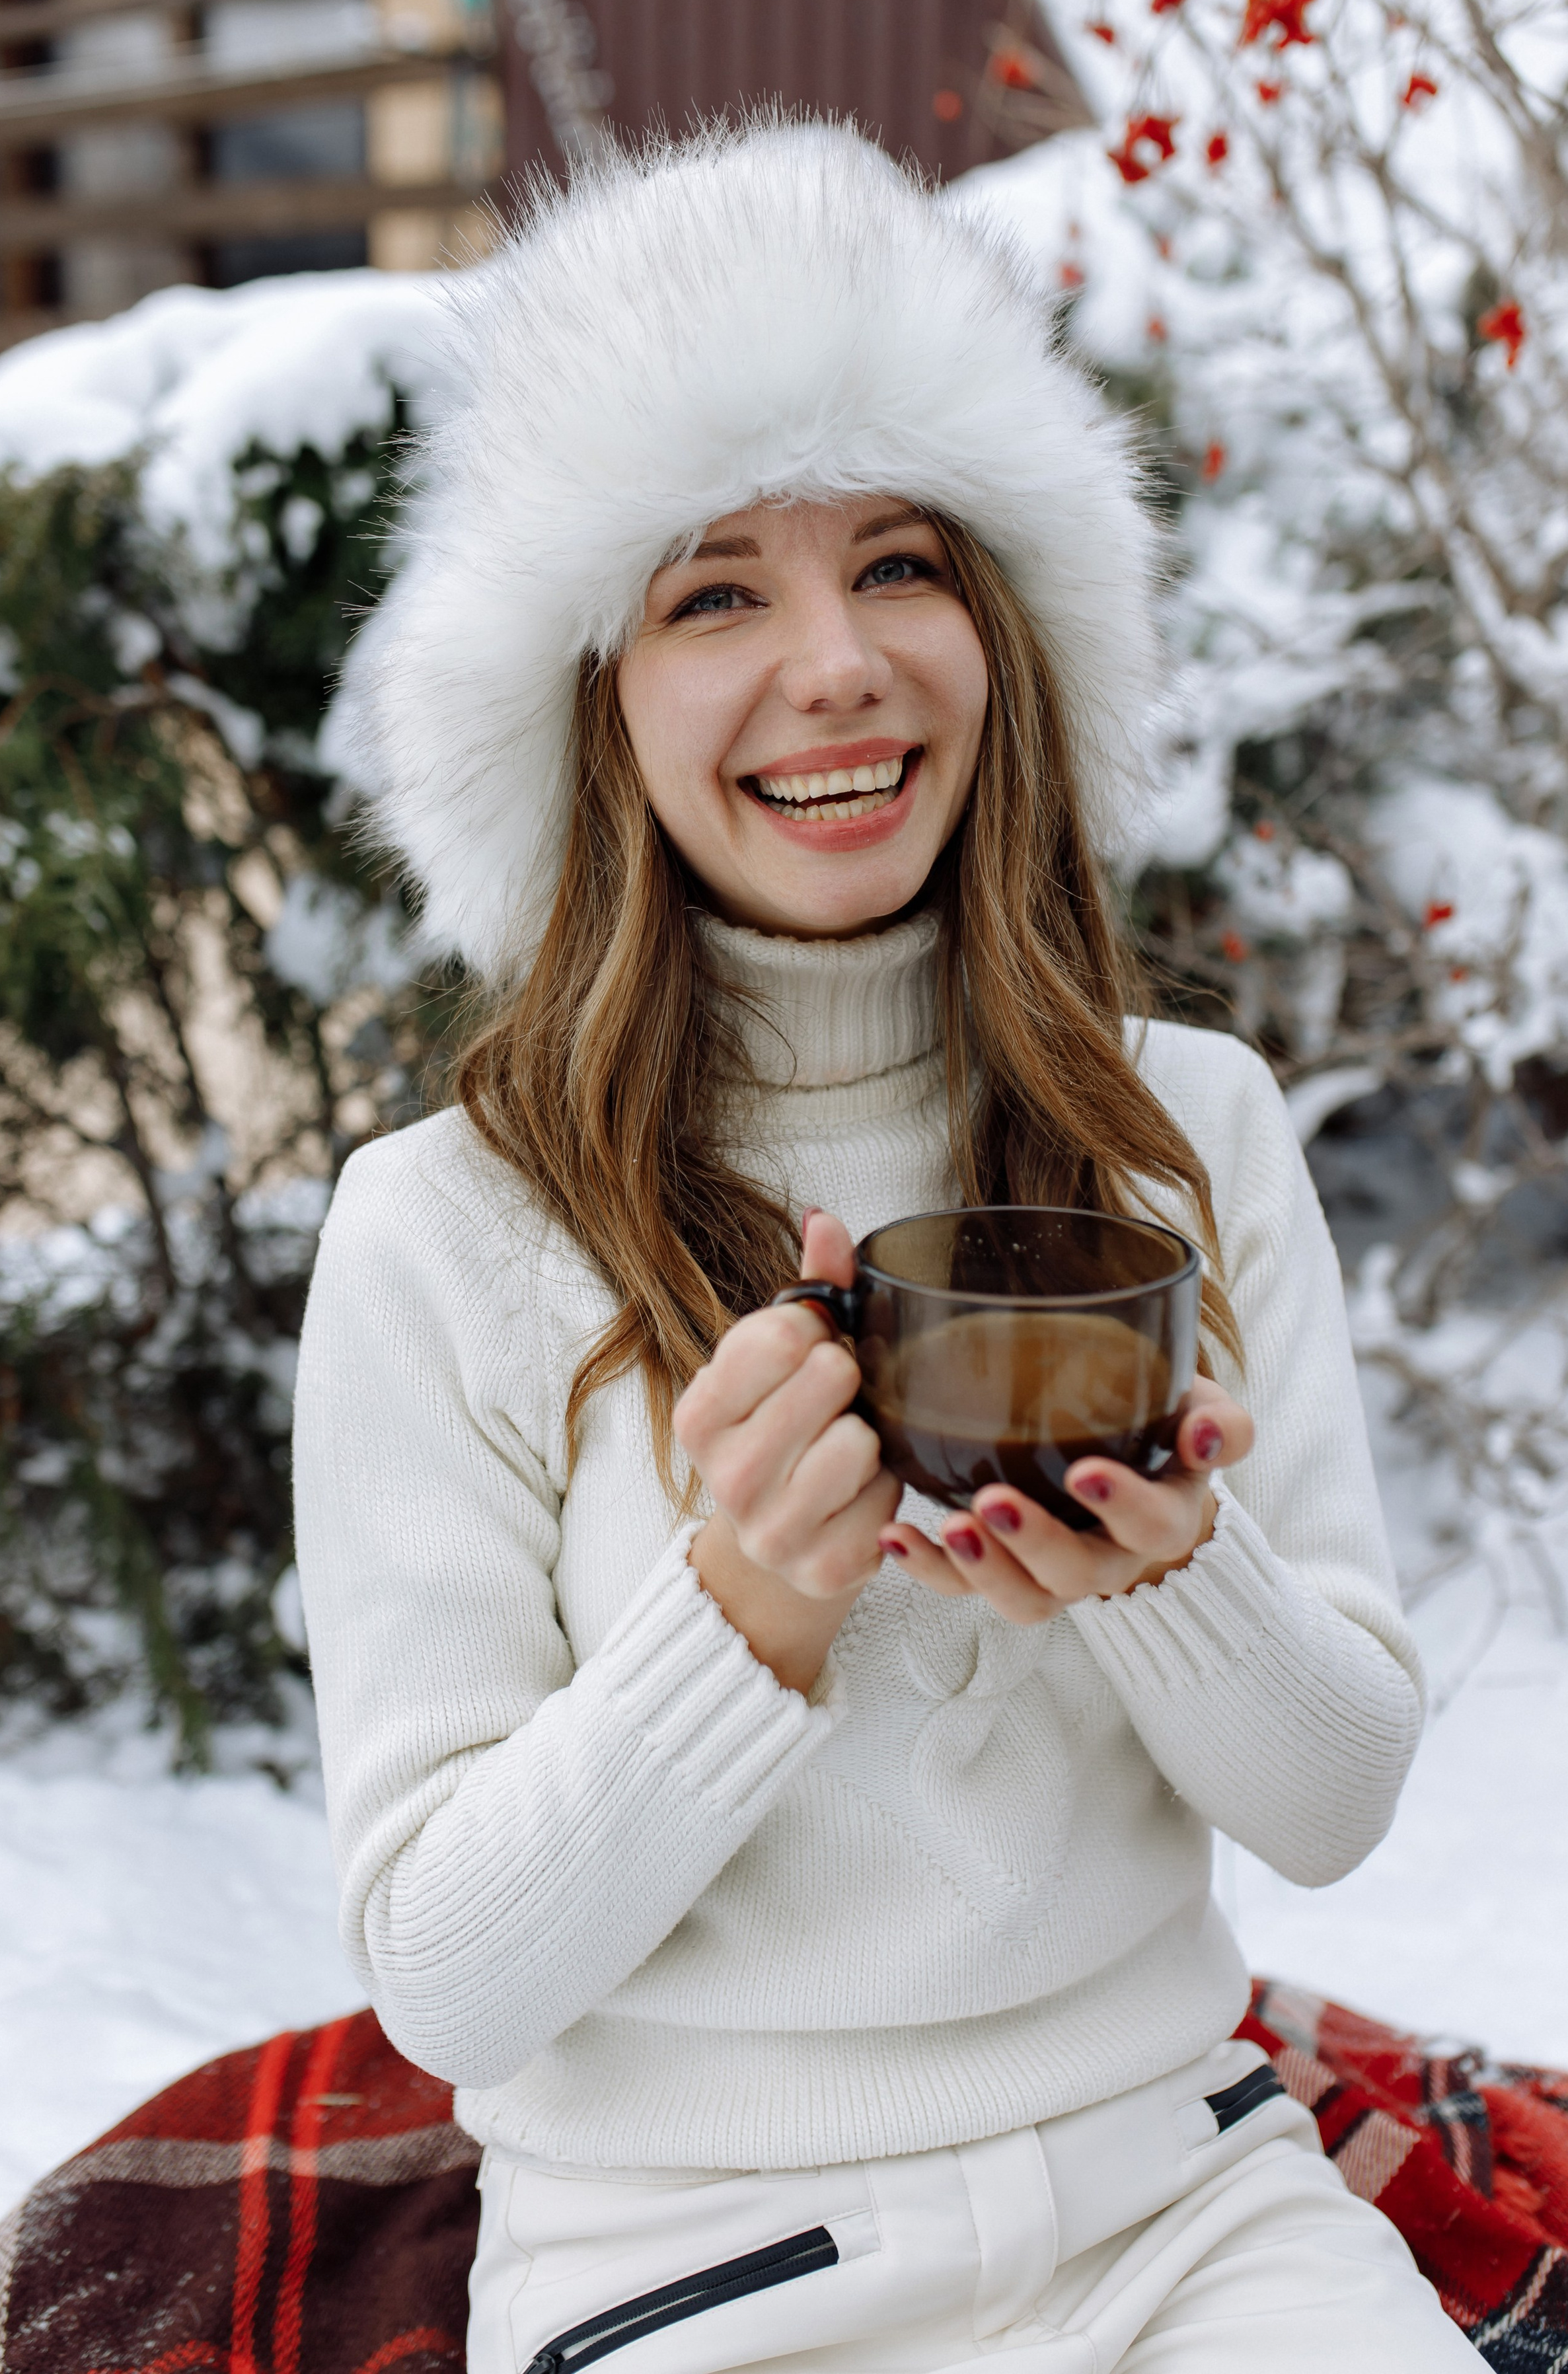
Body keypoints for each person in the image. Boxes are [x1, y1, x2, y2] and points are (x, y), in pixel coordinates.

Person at [293, 121, 1477, 2372]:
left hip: (1190, 2205)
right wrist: (739, 1608)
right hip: (703, 2273)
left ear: (1004, 631)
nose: (835, 668)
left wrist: (1171, 1570)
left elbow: (1334, 1804)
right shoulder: (445, 1230)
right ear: (593, 694)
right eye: (716, 590)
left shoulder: (1180, 1133)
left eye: (903, 564)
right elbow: (448, 1981)